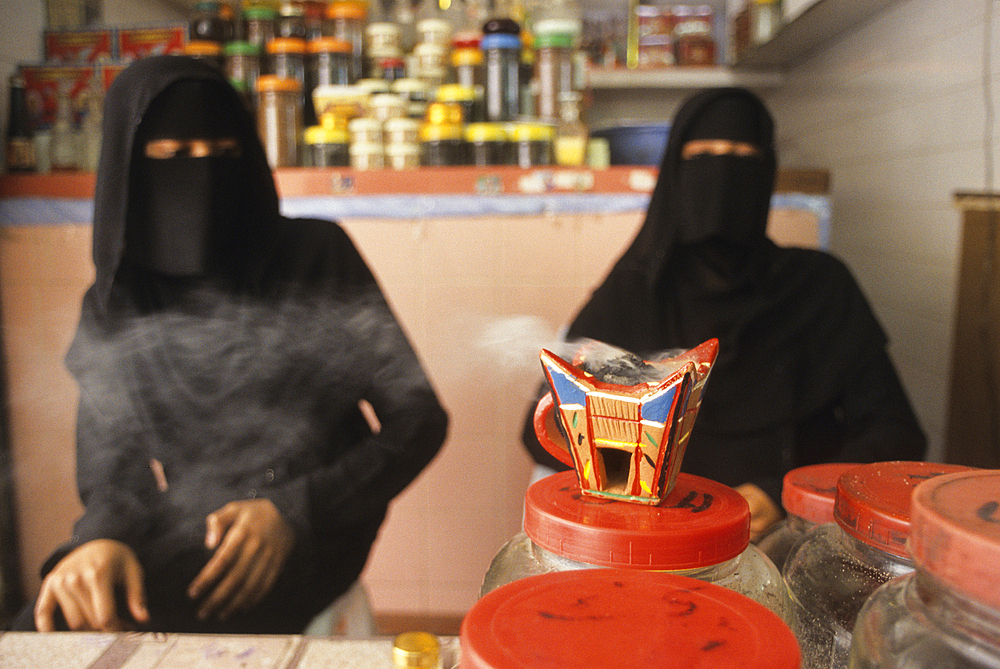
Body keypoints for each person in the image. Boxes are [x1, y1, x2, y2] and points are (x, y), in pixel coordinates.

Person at [13, 55, 448, 633]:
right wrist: (102, 538)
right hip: (196, 522)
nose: (205, 178)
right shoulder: (114, 300)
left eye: (226, 155)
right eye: (173, 159)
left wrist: (295, 509)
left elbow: (418, 419)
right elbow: (113, 464)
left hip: (321, 523)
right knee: (51, 620)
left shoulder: (316, 256)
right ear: (127, 170)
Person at [522, 87, 926, 539]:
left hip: (792, 539)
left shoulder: (819, 288)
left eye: (742, 157)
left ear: (766, 172)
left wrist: (782, 495)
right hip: (659, 540)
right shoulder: (637, 290)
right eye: (703, 157)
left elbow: (896, 438)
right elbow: (543, 423)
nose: (723, 177)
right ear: (676, 173)